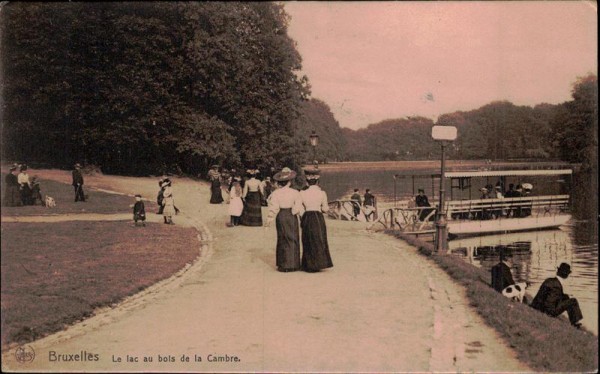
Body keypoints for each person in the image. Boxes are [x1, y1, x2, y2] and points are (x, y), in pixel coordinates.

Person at [265, 167, 302, 272]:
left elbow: (273, 208)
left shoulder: (276, 193)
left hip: (281, 215)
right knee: (293, 238)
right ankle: (294, 264)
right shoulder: (295, 192)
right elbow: (297, 207)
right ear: (289, 182)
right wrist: (295, 212)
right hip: (291, 215)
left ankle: (283, 264)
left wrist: (268, 221)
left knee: (282, 238)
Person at [299, 167, 333, 273]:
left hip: (307, 215)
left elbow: (300, 208)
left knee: (307, 239)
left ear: (307, 181)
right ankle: (319, 263)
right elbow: (325, 208)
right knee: (319, 238)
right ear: (317, 181)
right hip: (318, 216)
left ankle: (308, 264)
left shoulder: (302, 193)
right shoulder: (322, 193)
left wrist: (303, 215)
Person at [531, 263, 583, 328]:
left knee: (566, 297)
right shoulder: (557, 286)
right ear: (566, 275)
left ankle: (574, 321)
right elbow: (549, 302)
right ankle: (575, 322)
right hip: (548, 311)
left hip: (537, 306)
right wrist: (549, 313)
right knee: (573, 301)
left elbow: (548, 295)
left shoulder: (550, 280)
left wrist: (563, 297)